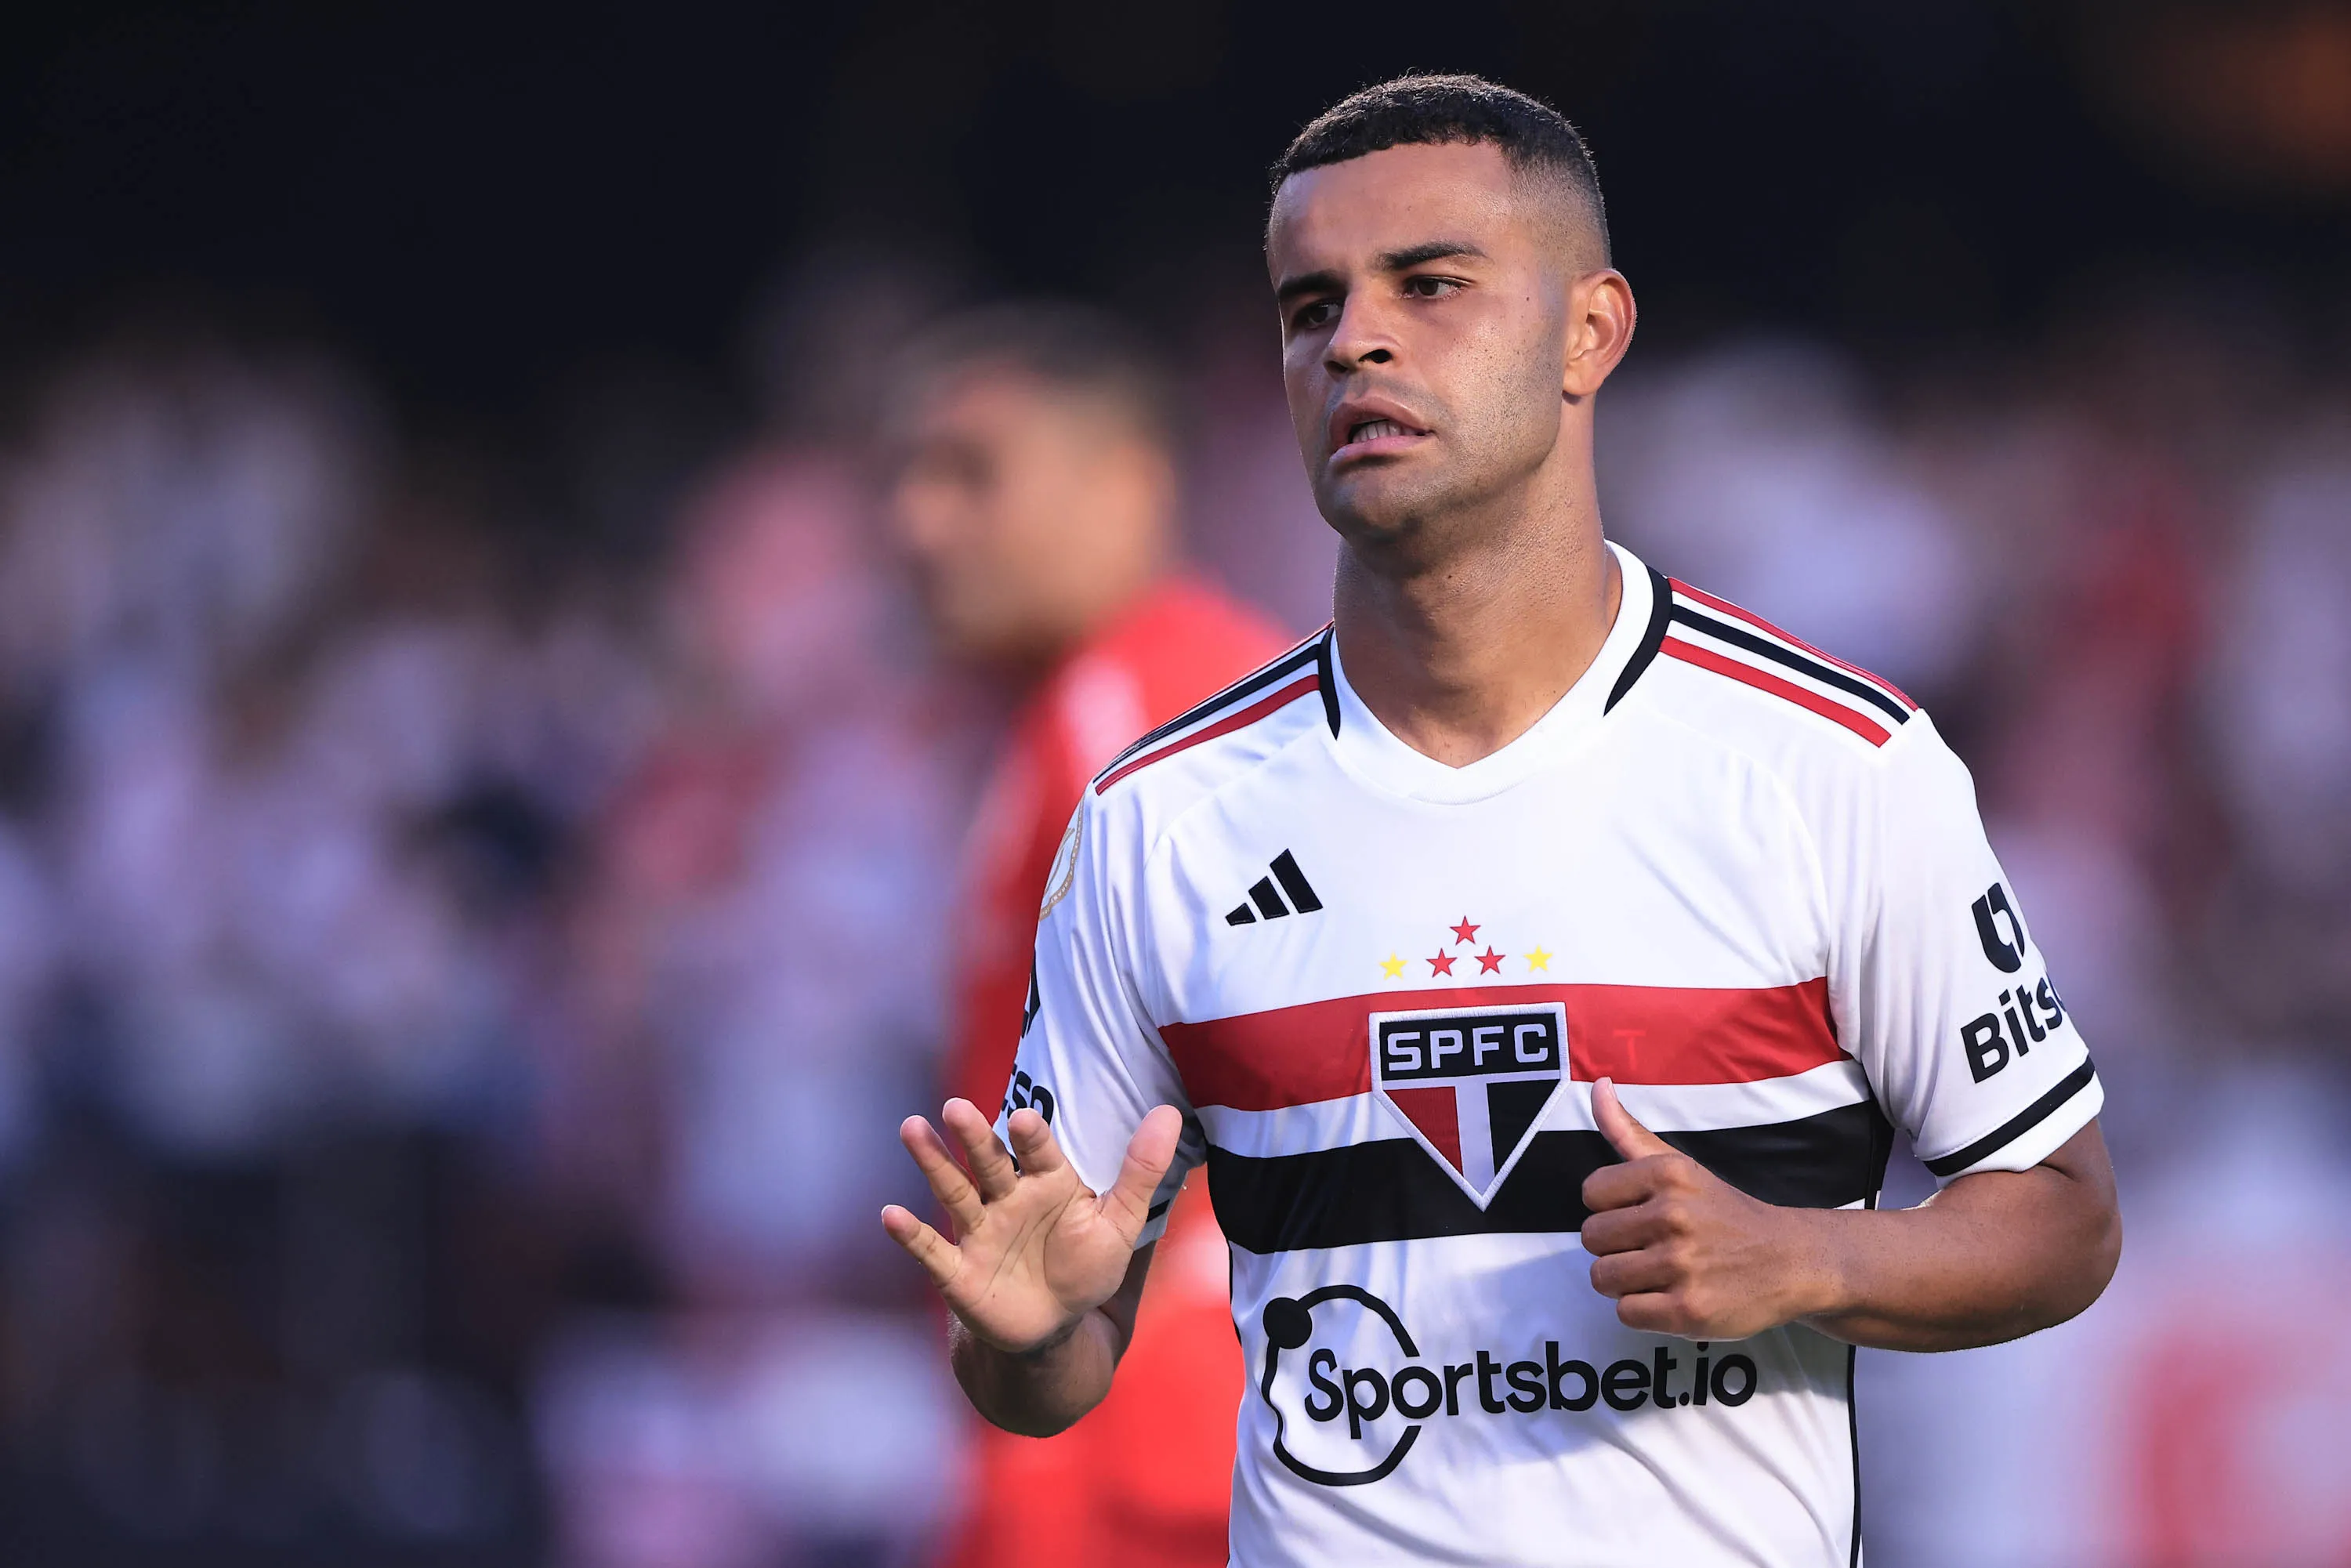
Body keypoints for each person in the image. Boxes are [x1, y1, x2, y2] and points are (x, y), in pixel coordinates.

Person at [882, 75, 2121, 1567]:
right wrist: (1025, 1340)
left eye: (1432, 285)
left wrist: (1807, 1257)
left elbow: (2061, 1216)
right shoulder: (1159, 823)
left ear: (1589, 332)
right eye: (1307, 308)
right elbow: (1050, 1363)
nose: (1357, 340)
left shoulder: (1834, 767)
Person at [882, 303, 1288, 1568]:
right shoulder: (1098, 706)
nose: (918, 523)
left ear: (1126, 486)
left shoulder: (1147, 723)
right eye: (910, 478)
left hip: (1145, 1436)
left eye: (973, 475)